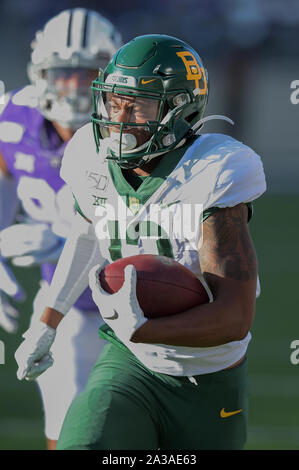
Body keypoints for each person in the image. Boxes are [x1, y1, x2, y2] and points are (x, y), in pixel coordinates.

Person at [14, 34, 266, 450]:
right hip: (130, 364)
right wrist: (46, 323)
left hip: (211, 376)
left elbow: (235, 316)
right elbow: (85, 236)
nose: (120, 117)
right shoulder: (88, 155)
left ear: (180, 110)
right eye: (115, 102)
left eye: (138, 105)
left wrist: (146, 328)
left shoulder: (216, 169)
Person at [0, 8, 122, 450]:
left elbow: (157, 229)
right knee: (71, 436)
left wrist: (67, 242)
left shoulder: (133, 133)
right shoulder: (14, 118)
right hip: (64, 310)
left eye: (88, 72)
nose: (73, 85)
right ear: (40, 73)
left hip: (146, 305)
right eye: (63, 72)